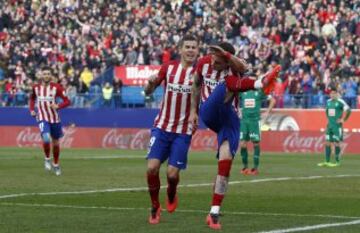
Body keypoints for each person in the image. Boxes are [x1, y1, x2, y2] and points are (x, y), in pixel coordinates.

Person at [190, 41, 281, 230]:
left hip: (229, 120)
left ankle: (214, 212)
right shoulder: (203, 63)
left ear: (227, 60)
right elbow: (196, 85)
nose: (213, 62)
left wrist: (228, 56)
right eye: (213, 58)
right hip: (209, 111)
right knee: (227, 84)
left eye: (218, 60)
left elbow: (242, 66)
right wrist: (193, 111)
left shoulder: (235, 69)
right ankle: (260, 83)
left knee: (225, 166)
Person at [144, 35, 199, 224]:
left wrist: (196, 112)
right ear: (181, 49)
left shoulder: (200, 72)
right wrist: (150, 83)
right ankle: (154, 206)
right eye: (188, 47)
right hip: (161, 126)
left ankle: (171, 193)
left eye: (194, 47)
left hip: (183, 130)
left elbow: (206, 96)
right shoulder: (169, 67)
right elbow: (147, 92)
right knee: (152, 168)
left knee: (172, 174)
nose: (191, 50)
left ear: (197, 51)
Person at [29, 66, 71, 176]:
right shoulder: (36, 88)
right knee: (46, 138)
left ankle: (56, 164)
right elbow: (32, 98)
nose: (46, 75)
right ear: (41, 75)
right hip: (42, 117)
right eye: (44, 73)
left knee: (56, 143)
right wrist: (32, 110)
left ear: (50, 75)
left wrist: (58, 106)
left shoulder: (57, 88)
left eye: (48, 74)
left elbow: (67, 101)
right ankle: (47, 158)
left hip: (54, 118)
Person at [239, 87, 276, 175]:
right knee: (242, 144)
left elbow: (273, 100)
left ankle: (255, 168)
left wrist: (267, 112)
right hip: (244, 121)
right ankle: (245, 167)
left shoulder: (260, 92)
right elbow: (233, 98)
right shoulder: (242, 92)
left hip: (255, 122)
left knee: (255, 143)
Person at [318, 86, 351, 167]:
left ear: (336, 94)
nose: (332, 95)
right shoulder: (328, 102)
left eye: (333, 93)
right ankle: (327, 161)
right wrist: (329, 120)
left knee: (336, 143)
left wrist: (343, 120)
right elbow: (327, 111)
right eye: (331, 93)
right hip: (330, 126)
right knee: (327, 143)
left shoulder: (340, 102)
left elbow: (349, 110)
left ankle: (337, 162)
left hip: (337, 126)